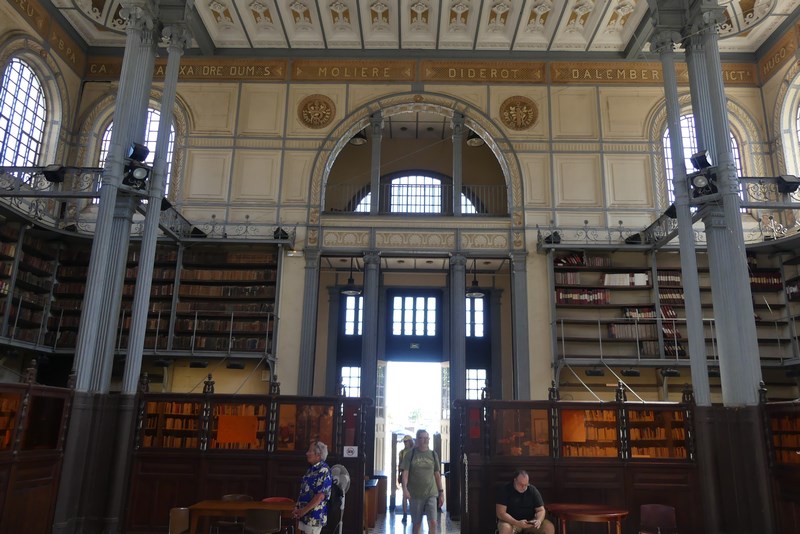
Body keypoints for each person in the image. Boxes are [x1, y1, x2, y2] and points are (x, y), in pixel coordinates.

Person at [400, 429, 443, 534]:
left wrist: (441, 492)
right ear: (417, 439)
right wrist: (405, 489)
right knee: (417, 524)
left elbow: (437, 474)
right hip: (415, 494)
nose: (425, 440)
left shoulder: (433, 454)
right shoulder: (410, 454)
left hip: (431, 493)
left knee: (433, 522)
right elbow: (405, 473)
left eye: (426, 438)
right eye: (422, 438)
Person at [495, 470, 555, 534]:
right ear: (515, 480)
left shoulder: (532, 490)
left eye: (526, 484)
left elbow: (541, 510)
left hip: (530, 522)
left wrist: (539, 520)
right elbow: (501, 513)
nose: (523, 487)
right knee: (505, 528)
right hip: (511, 522)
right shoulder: (505, 490)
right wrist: (517, 522)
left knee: (549, 527)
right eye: (521, 484)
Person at [293, 440, 333, 534]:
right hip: (304, 515)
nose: (307, 453)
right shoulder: (311, 470)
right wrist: (297, 508)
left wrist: (303, 511)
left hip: (314, 517)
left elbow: (320, 496)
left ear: (318, 455)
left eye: (310, 451)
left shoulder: (324, 470)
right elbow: (304, 491)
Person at [397, 434, 414, 523]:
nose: (404, 443)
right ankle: (405, 514)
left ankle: (413, 514)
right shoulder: (402, 452)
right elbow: (399, 465)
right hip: (404, 474)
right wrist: (399, 475)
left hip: (413, 475)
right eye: (404, 441)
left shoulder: (415, 451)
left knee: (413, 496)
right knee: (404, 495)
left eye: (406, 441)